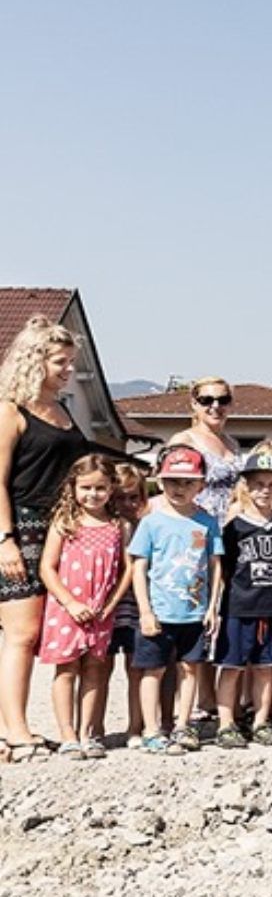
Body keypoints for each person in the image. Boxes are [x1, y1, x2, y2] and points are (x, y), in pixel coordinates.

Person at [0, 315, 92, 762]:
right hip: (18, 527)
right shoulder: (10, 410)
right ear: (36, 360)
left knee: (43, 636)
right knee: (21, 633)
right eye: (61, 362)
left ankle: (20, 729)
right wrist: (5, 540)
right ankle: (15, 733)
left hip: (59, 528)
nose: (68, 370)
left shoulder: (63, 410)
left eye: (71, 362)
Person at [128, 445, 225, 755]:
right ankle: (152, 729)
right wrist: (145, 610)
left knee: (190, 668)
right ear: (160, 481)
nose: (178, 488)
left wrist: (212, 608)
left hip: (194, 613)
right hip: (158, 611)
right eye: (172, 481)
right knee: (152, 670)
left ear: (200, 485)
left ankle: (183, 725)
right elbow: (138, 566)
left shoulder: (207, 522)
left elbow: (215, 565)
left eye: (187, 482)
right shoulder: (151, 522)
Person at [37, 454, 131, 758]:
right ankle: (67, 734)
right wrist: (70, 602)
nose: (93, 495)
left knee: (95, 669)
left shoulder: (119, 526)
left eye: (100, 488)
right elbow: (47, 568)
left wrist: (110, 604)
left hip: (101, 611)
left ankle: (88, 732)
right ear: (73, 488)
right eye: (86, 488)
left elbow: (127, 570)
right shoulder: (65, 522)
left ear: (111, 488)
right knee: (66, 669)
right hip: (67, 609)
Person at [212, 447, 272, 748]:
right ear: (247, 485)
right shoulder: (233, 528)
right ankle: (226, 723)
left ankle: (261, 721)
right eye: (258, 483)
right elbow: (222, 569)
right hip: (238, 606)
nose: (265, 490)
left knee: (266, 667)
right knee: (232, 666)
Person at [107, 461, 150, 747]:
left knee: (136, 668)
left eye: (133, 497)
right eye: (120, 497)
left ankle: (136, 727)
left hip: (137, 606)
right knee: (100, 667)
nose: (127, 503)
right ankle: (94, 728)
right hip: (109, 605)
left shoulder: (146, 526)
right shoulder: (108, 527)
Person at [166, 377, 242, 524]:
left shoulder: (233, 444)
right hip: (196, 526)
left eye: (223, 400)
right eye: (206, 400)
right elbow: (168, 487)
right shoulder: (184, 441)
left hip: (233, 529)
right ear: (194, 404)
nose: (215, 406)